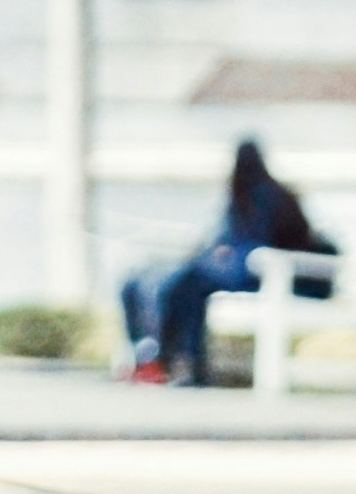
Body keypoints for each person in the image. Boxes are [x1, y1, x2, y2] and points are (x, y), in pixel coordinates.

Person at [121, 139, 330, 386]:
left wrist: (226, 258)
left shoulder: (269, 198)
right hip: (240, 273)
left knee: (188, 285)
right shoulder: (242, 199)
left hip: (269, 276)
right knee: (174, 284)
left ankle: (183, 364)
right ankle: (166, 360)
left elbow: (264, 244)